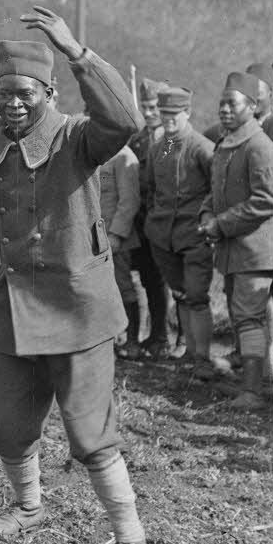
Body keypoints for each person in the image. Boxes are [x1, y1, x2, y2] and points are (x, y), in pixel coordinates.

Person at [0, 5, 152, 544]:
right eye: (5, 93)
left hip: (79, 311)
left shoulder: (75, 138)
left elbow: (124, 120)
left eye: (26, 93)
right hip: (15, 311)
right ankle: (28, 506)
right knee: (11, 429)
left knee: (91, 438)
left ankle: (132, 541)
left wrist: (76, 51)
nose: (14, 103)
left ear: (47, 91)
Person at [199, 71, 273, 411]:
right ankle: (249, 385)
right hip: (233, 249)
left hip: (254, 251)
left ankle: (253, 393)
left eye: (232, 104)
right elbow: (214, 193)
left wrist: (221, 224)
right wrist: (206, 216)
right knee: (240, 316)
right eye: (222, 104)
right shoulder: (226, 144)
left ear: (253, 107)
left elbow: (267, 199)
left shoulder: (259, 146)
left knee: (248, 319)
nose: (224, 110)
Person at [143, 87, 216, 377]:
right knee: (181, 294)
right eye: (165, 114)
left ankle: (202, 359)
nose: (169, 119)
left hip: (194, 236)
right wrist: (154, 221)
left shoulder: (202, 148)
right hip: (163, 238)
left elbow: (217, 188)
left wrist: (207, 221)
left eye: (175, 114)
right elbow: (151, 189)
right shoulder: (160, 147)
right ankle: (189, 353)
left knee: (197, 296)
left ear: (188, 113)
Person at [122, 78, 171, 359]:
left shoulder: (170, 140)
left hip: (160, 223)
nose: (150, 112)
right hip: (136, 223)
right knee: (140, 279)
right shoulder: (138, 139)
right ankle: (138, 336)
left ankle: (161, 336)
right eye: (146, 107)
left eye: (155, 107)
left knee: (158, 281)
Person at [99, 144, 142, 356]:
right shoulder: (97, 151)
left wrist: (116, 235)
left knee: (123, 287)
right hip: (94, 237)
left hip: (115, 238)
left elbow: (129, 200)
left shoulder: (124, 156)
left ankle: (132, 341)